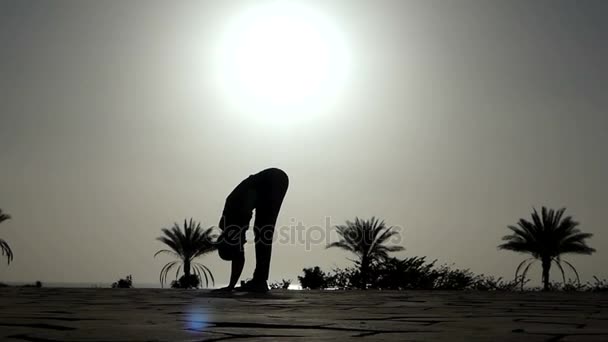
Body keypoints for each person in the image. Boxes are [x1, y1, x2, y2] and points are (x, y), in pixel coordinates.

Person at [215, 168, 289, 292]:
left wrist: (247, 214)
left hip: (272, 179)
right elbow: (238, 256)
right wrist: (231, 286)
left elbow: (250, 194)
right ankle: (259, 280)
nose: (243, 244)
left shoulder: (231, 219)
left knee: (262, 231)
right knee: (263, 231)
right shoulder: (233, 234)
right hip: (275, 180)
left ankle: (260, 281)